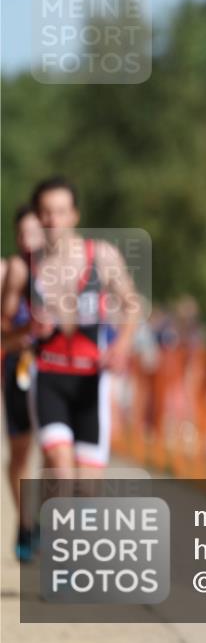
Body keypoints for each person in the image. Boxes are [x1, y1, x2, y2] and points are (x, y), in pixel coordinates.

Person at [7, 177, 142, 487]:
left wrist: (121, 346)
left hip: (91, 378)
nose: (53, 220)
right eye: (46, 212)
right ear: (37, 217)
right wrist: (28, 328)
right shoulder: (24, 268)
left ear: (74, 215)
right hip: (48, 376)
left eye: (61, 211)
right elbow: (5, 335)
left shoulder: (102, 256)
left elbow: (133, 305)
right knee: (60, 469)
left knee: (87, 488)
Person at [1, 205, 46, 560]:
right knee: (20, 454)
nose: (28, 240)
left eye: (35, 232)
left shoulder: (65, 271)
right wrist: (26, 331)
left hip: (55, 370)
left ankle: (46, 520)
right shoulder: (13, 270)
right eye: (22, 233)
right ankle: (26, 520)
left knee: (54, 448)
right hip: (20, 366)